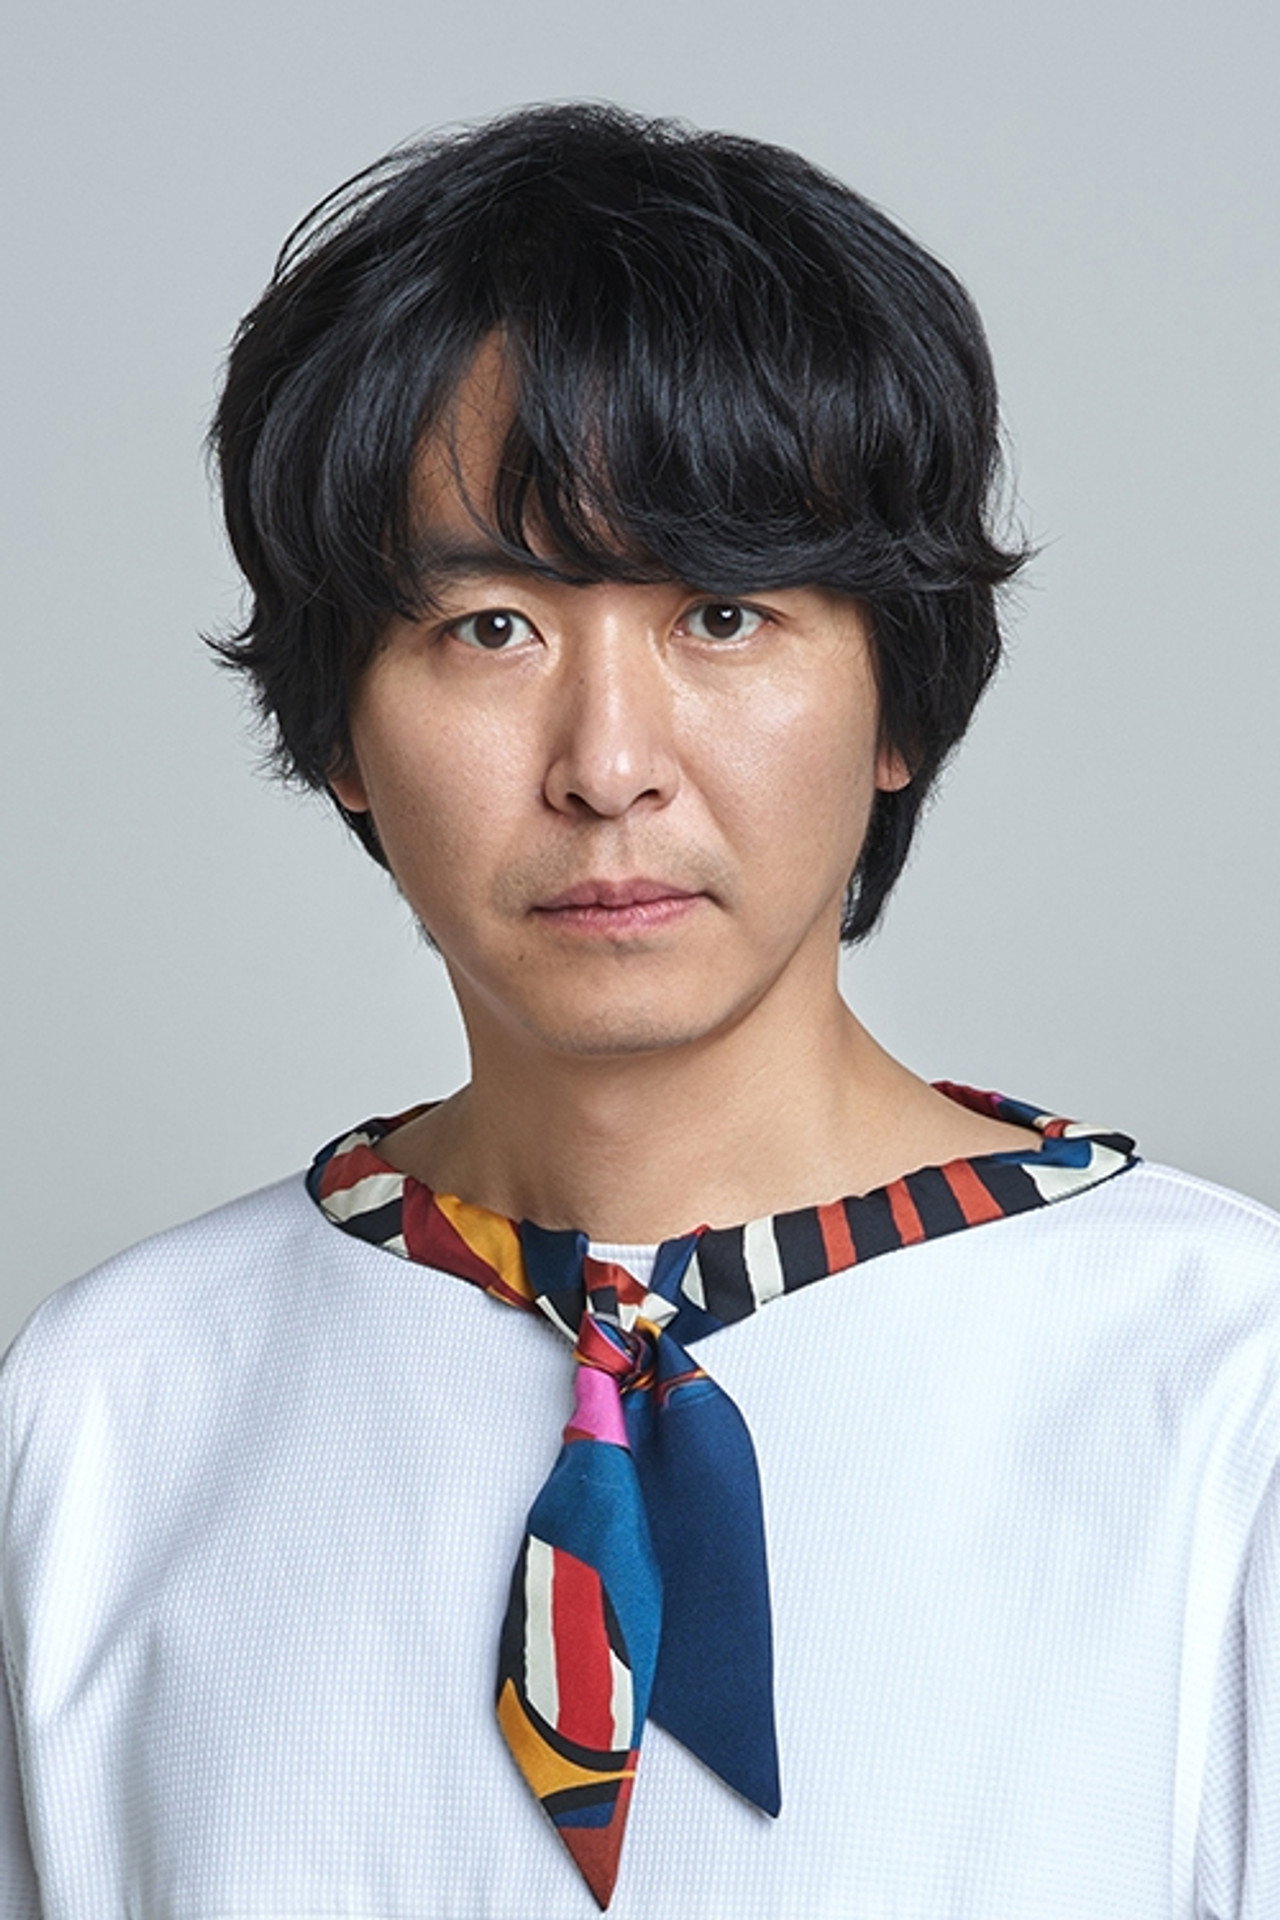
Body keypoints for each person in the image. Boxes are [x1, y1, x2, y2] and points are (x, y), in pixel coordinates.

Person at [2, 102, 1276, 1920]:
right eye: (491, 628)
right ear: (341, 731)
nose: (608, 767)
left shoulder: (1228, 1385)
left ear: (902, 702)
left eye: (726, 615)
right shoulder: (107, 1412)